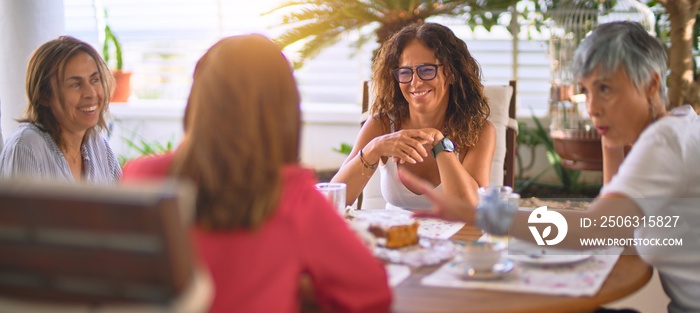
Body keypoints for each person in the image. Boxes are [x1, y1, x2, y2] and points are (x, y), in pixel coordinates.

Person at [401, 21, 700, 313]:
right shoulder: (681, 126)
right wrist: (611, 143)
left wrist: (482, 215)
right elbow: (613, 228)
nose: (592, 108)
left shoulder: (664, 142)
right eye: (587, 91)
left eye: (606, 89)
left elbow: (594, 229)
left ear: (652, 85)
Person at [121, 34, 392, 313]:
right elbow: (372, 293)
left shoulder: (140, 175)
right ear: (284, 111)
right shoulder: (291, 195)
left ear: (197, 100)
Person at [331, 22, 495, 210]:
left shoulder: (479, 131)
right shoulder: (382, 125)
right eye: (405, 72)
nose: (415, 83)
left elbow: (471, 209)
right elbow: (334, 199)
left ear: (450, 73)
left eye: (426, 70)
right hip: (392, 237)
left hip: (455, 238)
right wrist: (373, 149)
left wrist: (440, 144)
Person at [0, 36, 121, 183]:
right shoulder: (26, 146)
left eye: (94, 80)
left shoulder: (97, 144)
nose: (91, 93)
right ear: (44, 95)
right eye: (75, 84)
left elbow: (124, 204)